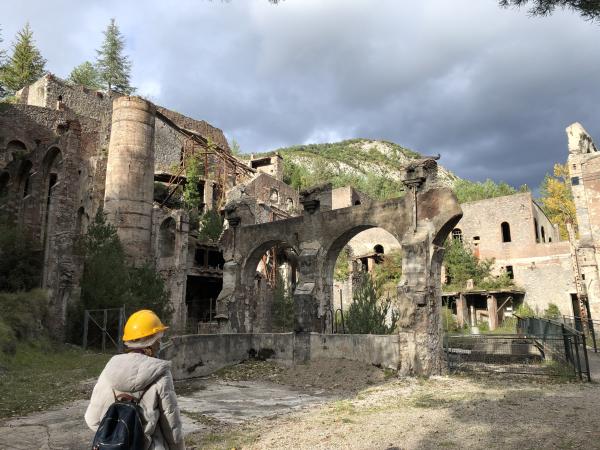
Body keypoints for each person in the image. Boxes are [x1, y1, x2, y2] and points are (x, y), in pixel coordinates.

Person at [85, 309, 185, 450]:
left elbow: (92, 419)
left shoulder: (110, 368)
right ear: (152, 341)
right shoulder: (161, 373)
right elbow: (172, 429)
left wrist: (118, 437)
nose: (160, 343)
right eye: (159, 338)